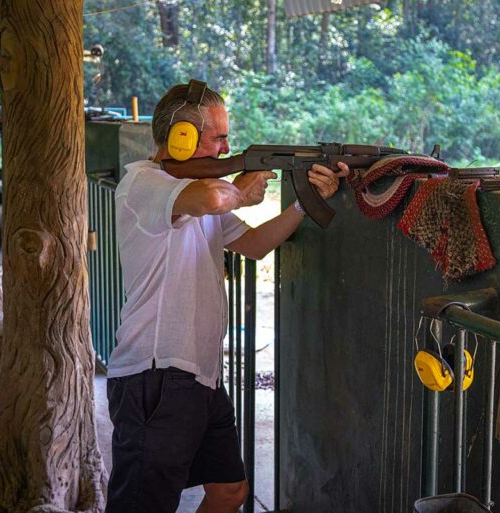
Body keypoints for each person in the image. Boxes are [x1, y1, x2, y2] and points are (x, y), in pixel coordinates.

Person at [105, 81, 349, 513]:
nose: (226, 146)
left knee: (230, 492)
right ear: (182, 137)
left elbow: (254, 244)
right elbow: (216, 196)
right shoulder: (143, 184)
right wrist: (242, 189)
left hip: (199, 375)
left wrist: (304, 204)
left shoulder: (196, 199)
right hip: (155, 374)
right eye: (218, 137)